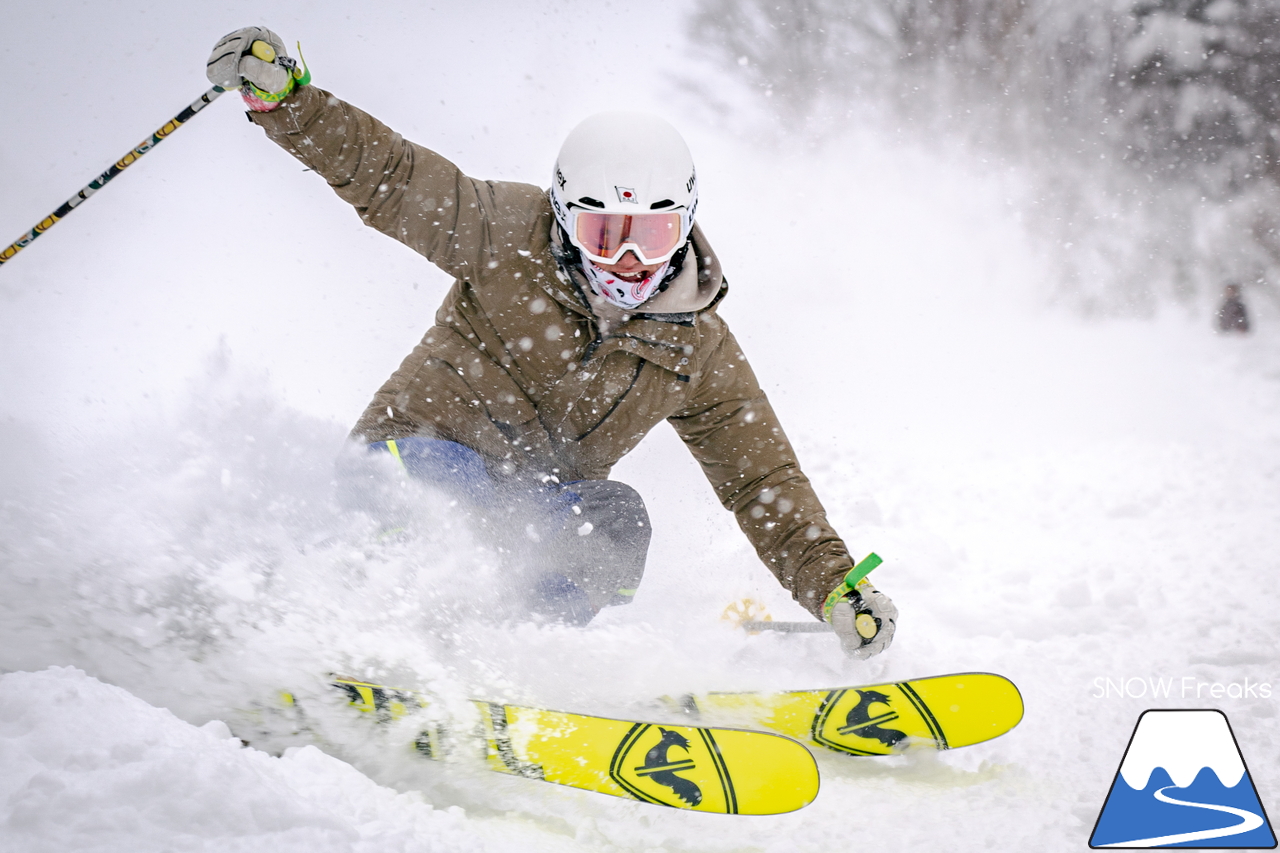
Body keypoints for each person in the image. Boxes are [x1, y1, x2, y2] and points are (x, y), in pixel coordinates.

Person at [205, 27, 896, 658]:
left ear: (684, 226)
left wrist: (835, 586)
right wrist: (289, 104)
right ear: (565, 217)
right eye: (605, 234)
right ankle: (365, 631)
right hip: (405, 466)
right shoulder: (507, 230)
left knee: (617, 524)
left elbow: (762, 480)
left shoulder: (697, 348)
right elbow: (392, 176)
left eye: (650, 236)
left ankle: (514, 657)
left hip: (522, 511)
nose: (629, 261)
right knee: (455, 493)